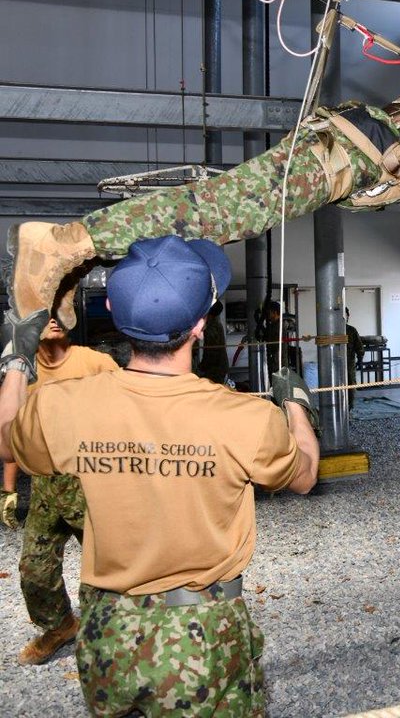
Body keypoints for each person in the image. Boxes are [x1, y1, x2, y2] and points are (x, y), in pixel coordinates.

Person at [6, 39, 400, 331]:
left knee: (223, 215)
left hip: (355, 160)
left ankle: (79, 260)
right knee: (219, 212)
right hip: (348, 155)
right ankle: (61, 244)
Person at [0, 235, 320, 716]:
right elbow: (306, 475)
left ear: (112, 309)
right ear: (200, 324)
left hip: (108, 635)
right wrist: (296, 405)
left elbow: (7, 439)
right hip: (203, 636)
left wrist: (16, 361)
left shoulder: (61, 405)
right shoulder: (246, 418)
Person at [15, 315, 120, 665]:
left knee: (102, 571)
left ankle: (99, 637)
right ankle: (60, 626)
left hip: (91, 483)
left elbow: (128, 418)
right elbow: (14, 433)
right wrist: (7, 488)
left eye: (60, 311)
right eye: (44, 314)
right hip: (45, 484)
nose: (54, 320)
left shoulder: (97, 364)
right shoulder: (24, 373)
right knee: (35, 571)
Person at [194, 299, 229, 385]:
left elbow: (211, 351)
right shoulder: (217, 325)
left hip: (214, 369)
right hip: (219, 367)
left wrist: (202, 367)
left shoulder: (211, 328)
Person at [345, 308, 364, 407]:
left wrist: (360, 360)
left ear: (348, 316)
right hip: (334, 364)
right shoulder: (331, 332)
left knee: (351, 385)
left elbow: (359, 347)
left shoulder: (351, 331)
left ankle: (349, 406)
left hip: (349, 363)